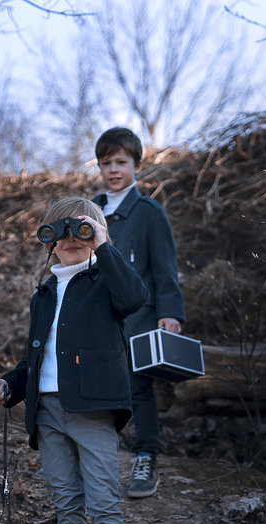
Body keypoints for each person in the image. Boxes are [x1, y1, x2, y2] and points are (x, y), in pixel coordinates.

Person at [0, 196, 149, 524]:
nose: (70, 241)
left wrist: (102, 246)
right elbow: (36, 357)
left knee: (104, 507)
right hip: (49, 412)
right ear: (48, 243)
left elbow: (136, 298)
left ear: (98, 237)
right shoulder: (45, 294)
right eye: (59, 233)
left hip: (92, 408)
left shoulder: (105, 282)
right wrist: (11, 383)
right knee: (68, 505)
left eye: (81, 231)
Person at [92, 126, 186, 499]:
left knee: (138, 388)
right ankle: (99, 465)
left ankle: (146, 457)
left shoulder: (148, 211)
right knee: (98, 388)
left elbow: (165, 267)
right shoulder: (90, 210)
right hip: (98, 318)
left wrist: (171, 313)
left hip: (140, 317)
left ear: (137, 165)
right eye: (106, 163)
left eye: (121, 162)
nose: (113, 169)